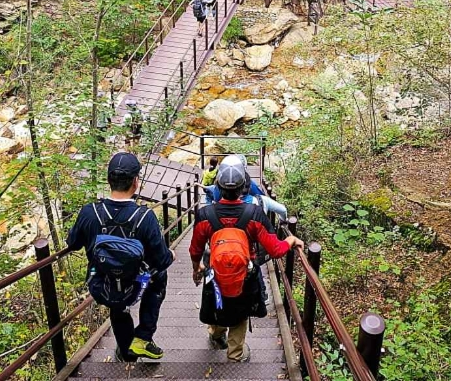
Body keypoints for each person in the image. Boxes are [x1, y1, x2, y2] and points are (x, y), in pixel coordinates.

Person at [190, 159, 303, 362]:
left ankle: (216, 335)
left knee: (218, 301)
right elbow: (276, 250)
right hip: (245, 272)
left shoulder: (205, 215)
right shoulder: (254, 214)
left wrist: (196, 268)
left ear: (218, 187)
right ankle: (235, 354)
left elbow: (195, 248)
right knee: (239, 311)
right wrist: (290, 240)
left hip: (214, 270)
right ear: (244, 186)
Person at [67, 153, 174, 362]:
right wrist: (169, 254)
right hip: (137, 285)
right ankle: (143, 336)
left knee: (117, 300)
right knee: (159, 276)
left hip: (104, 286)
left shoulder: (90, 213)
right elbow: (161, 260)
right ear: (136, 181)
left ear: (109, 180)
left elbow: (73, 244)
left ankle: (126, 351)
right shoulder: (145, 217)